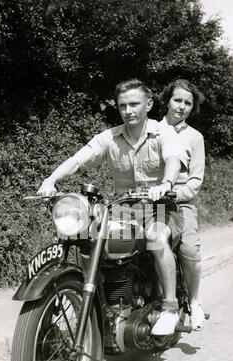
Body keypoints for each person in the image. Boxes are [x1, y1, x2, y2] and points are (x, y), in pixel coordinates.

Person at [37, 78, 188, 336]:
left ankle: (170, 308)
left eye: (134, 104)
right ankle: (95, 302)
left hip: (161, 207)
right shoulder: (109, 137)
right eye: (122, 106)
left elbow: (172, 159)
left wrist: (166, 183)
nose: (128, 111)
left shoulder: (165, 134)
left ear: (149, 104)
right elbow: (77, 160)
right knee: (85, 236)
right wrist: (51, 180)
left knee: (155, 238)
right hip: (122, 209)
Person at [158, 78, 205, 330]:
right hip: (148, 199)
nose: (182, 106)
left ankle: (195, 301)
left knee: (189, 248)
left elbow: (196, 180)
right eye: (177, 100)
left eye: (188, 103)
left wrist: (175, 194)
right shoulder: (152, 129)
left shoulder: (195, 137)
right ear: (167, 100)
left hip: (180, 201)